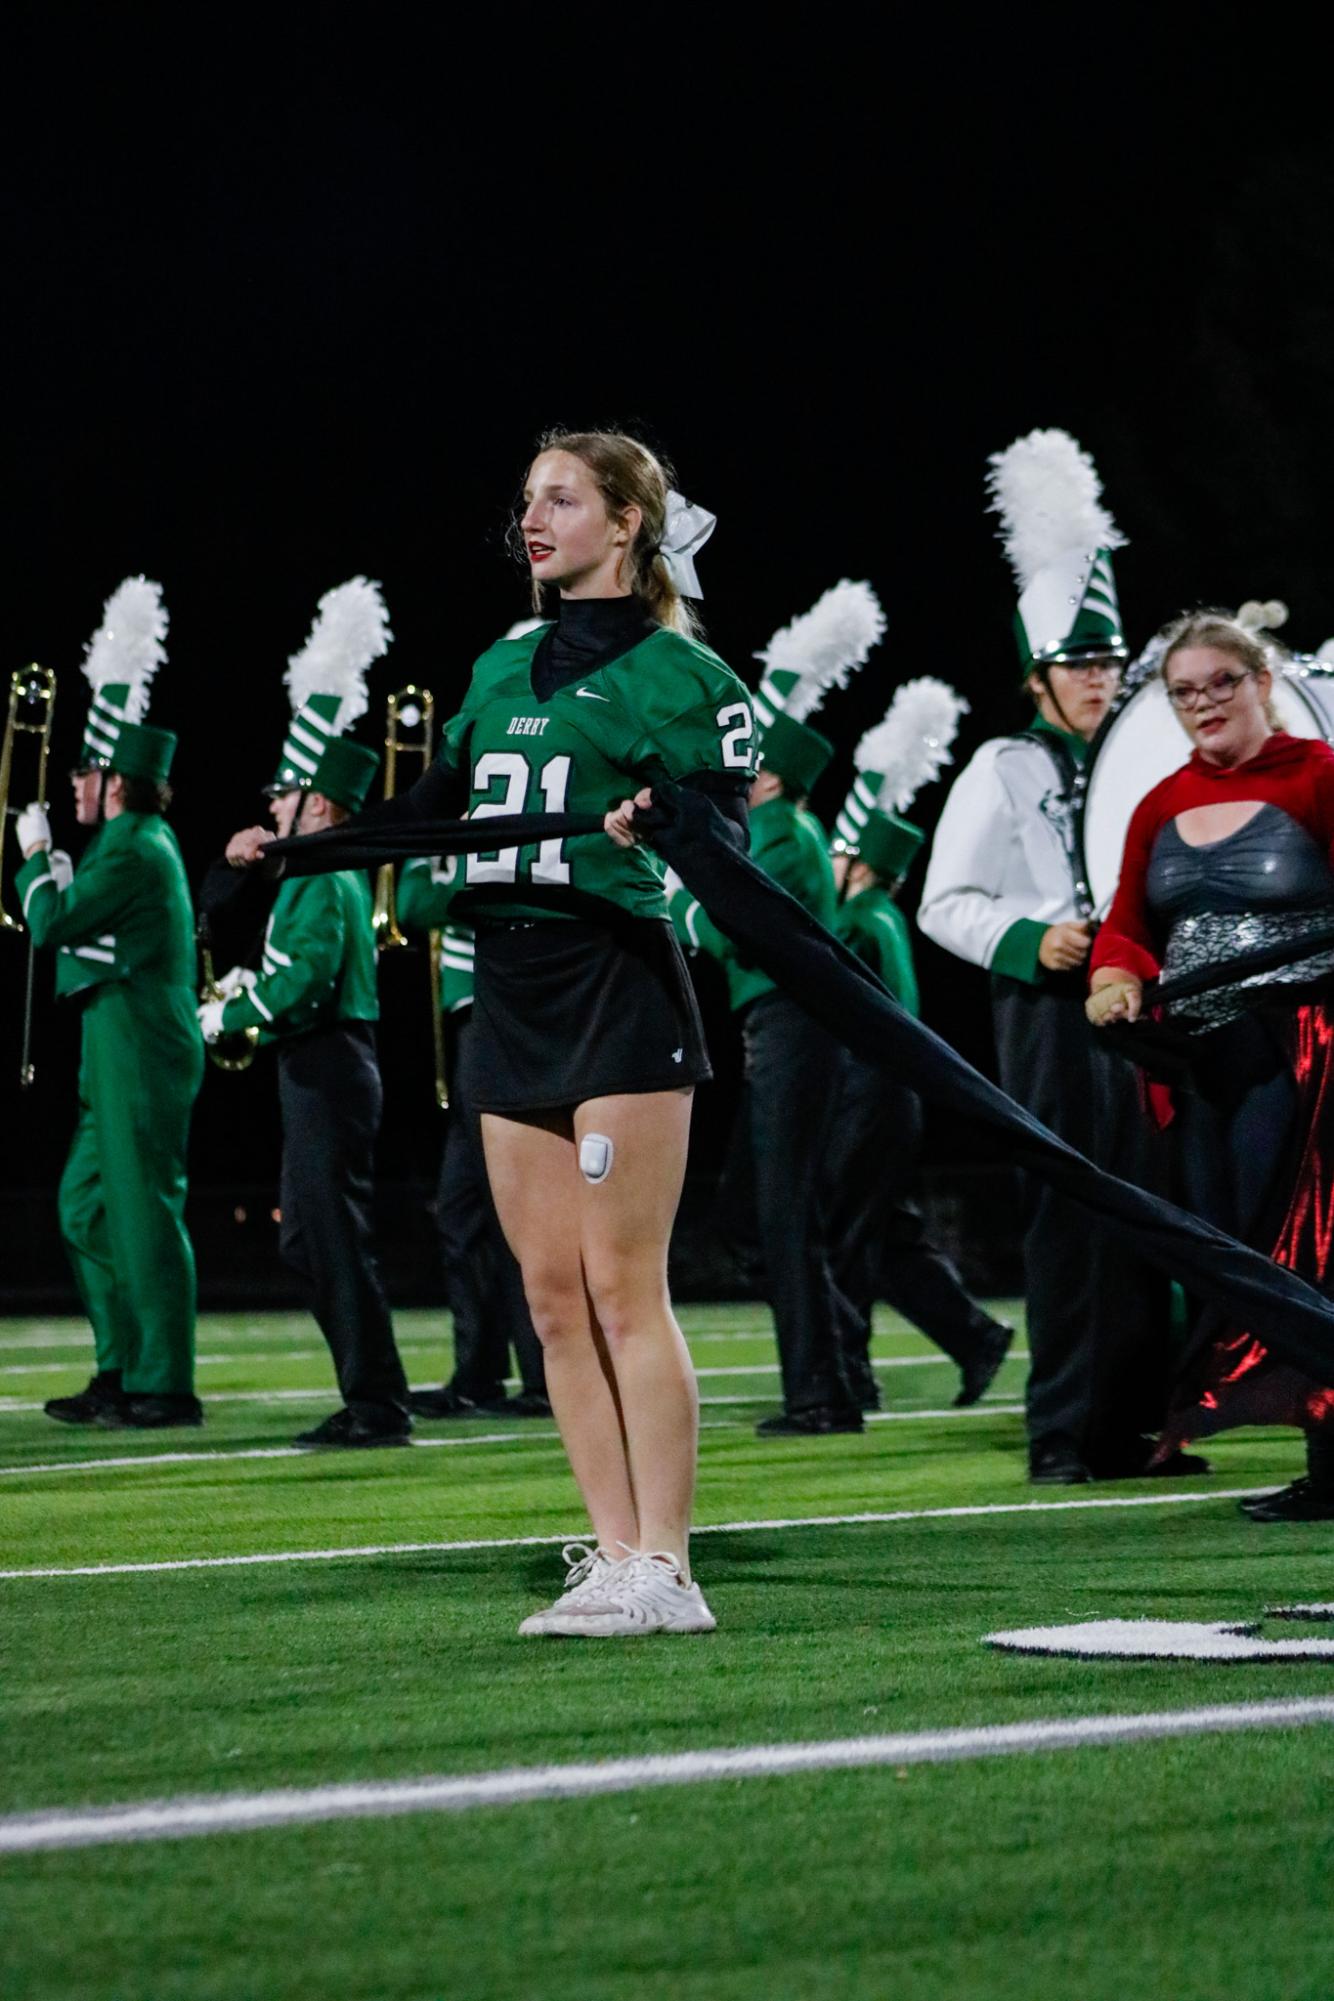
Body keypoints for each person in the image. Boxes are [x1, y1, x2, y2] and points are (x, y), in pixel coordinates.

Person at [234, 430, 756, 1635]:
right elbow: (433, 811)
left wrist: (661, 821)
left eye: (562, 499)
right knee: (551, 1296)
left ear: (627, 522)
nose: (533, 519)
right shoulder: (496, 664)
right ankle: (614, 1551)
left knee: (626, 1287)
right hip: (509, 993)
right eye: (528, 500)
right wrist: (305, 850)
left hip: (615, 981)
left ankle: (670, 1570)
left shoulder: (689, 679)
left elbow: (723, 853)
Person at [918, 429, 1182, 1483]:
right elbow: (943, 902)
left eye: (1109, 659)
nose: (1097, 678)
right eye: (1077, 662)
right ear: (1035, 674)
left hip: (1142, 1009)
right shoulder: (1001, 764)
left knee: (1151, 1222)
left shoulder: (1146, 760)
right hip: (1048, 1012)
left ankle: (1140, 1429)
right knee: (1068, 1225)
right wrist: (1033, 939)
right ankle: (1063, 1434)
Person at [1088, 609, 1334, 1520]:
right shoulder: (1161, 799)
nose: (1203, 705)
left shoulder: (1321, 779)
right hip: (1201, 1065)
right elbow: (1127, 921)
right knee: (1230, 1251)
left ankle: (1333, 1461)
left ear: (1263, 682)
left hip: (1305, 1057)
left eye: (1220, 684)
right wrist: (1116, 972)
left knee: (1309, 1248)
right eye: (1184, 692)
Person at [204, 579, 411, 1450]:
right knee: (311, 1241)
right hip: (318, 1064)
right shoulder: (310, 872)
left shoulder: (323, 873)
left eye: (287, 794)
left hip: (329, 1061)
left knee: (331, 1235)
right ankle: (372, 1393)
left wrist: (226, 1013)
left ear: (319, 806)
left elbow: (307, 981)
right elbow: (294, 965)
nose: (273, 806)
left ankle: (376, 1402)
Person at [16, 576, 203, 1428]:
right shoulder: (126, 841)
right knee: (87, 1206)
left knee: (143, 1216)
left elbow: (51, 923)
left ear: (119, 782)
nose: (78, 780)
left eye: (91, 769)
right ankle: (120, 1366)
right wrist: (57, 866)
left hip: (140, 1043)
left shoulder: (134, 845)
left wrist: (36, 859)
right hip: (111, 1041)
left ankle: (163, 1382)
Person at [671, 708, 865, 1435]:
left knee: (784, 1214)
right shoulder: (784, 832)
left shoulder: (785, 835)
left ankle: (822, 1393)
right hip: (779, 1028)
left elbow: (732, 923)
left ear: (774, 776)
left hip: (794, 1027)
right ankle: (839, 1357)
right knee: (748, 1213)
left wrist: (679, 908)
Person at [827, 804, 1013, 1408]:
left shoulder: (856, 917)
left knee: (847, 1237)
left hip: (866, 1094)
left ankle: (850, 1373)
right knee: (887, 1237)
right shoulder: (884, 915)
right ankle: (975, 1336)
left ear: (860, 866)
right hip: (893, 1097)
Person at [395, 853, 550, 1418]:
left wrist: (424, 862)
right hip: (469, 1024)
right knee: (461, 1212)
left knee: (513, 1211)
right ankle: (478, 1372)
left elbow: (423, 902)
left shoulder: (494, 831)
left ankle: (544, 1377)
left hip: (501, 1017)